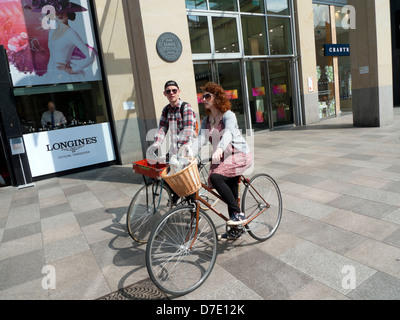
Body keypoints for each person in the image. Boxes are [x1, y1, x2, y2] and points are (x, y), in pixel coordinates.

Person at [193, 82, 252, 238]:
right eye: (202, 96)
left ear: (216, 97)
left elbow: (228, 134)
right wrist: (187, 154)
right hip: (224, 158)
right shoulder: (207, 120)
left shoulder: (228, 115)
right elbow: (200, 140)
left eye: (207, 96)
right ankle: (237, 229)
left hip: (239, 154)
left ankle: (238, 215)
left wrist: (219, 148)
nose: (203, 99)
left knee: (216, 177)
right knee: (230, 194)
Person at [149, 80, 198, 203]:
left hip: (188, 147)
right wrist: (156, 144)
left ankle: (194, 209)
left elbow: (188, 130)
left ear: (179, 92)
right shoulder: (166, 110)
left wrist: (178, 151)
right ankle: (175, 195)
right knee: (166, 174)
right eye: (168, 91)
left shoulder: (185, 107)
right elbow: (162, 128)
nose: (171, 93)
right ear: (164, 93)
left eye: (174, 90)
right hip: (175, 148)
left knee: (185, 180)